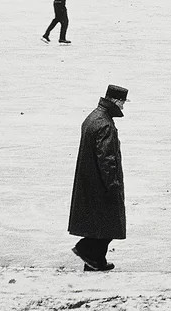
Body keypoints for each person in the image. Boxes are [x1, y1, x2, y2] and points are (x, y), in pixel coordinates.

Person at [69, 84, 129, 271]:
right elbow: (107, 158)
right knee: (109, 223)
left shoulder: (93, 117)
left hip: (90, 181)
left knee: (100, 224)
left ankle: (96, 260)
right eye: (122, 102)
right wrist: (113, 184)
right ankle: (86, 249)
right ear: (116, 101)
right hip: (101, 183)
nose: (123, 107)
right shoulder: (105, 124)